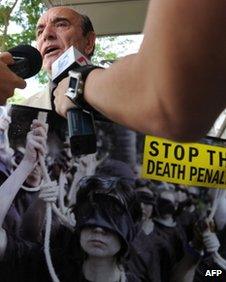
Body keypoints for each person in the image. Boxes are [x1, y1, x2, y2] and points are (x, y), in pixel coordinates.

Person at [52, 2, 226, 141]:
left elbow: (171, 100)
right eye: (40, 30)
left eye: (61, 25)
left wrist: (78, 85)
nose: (47, 35)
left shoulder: (114, 91)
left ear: (89, 42)